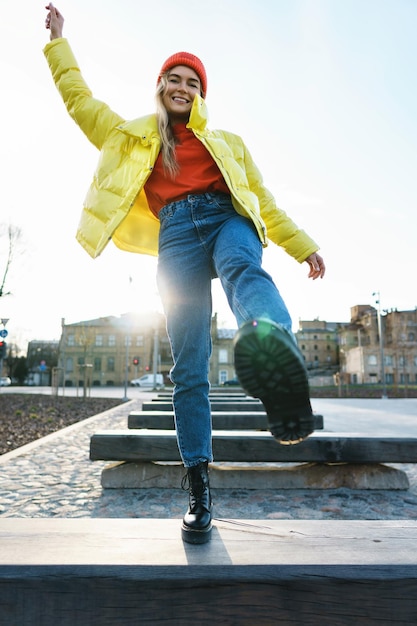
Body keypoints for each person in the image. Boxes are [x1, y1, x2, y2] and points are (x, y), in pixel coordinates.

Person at [44, 3, 326, 544]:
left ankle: (274, 349)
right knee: (189, 366)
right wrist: (58, 42)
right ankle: (199, 486)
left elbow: (264, 203)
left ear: (201, 94)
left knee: (244, 268)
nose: (182, 87)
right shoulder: (130, 135)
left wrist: (303, 245)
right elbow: (79, 101)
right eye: (173, 79)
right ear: (159, 87)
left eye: (192, 81)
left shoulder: (229, 144)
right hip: (175, 235)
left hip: (228, 219)